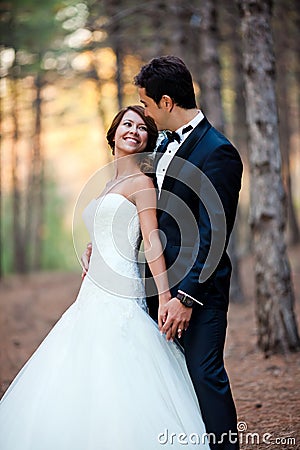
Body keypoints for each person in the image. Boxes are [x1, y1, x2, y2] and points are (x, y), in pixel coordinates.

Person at [0, 105, 211, 450]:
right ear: (113, 134)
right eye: (127, 124)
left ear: (147, 141)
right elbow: (110, 226)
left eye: (142, 127)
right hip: (90, 295)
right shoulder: (109, 182)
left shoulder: (142, 183)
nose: (134, 130)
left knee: (119, 369)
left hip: (121, 296)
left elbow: (152, 239)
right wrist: (93, 246)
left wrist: (165, 296)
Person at [84, 56, 243, 449]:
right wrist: (106, 241)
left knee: (204, 377)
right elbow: (146, 217)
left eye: (149, 105)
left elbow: (214, 233)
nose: (147, 114)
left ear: (167, 102)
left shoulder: (217, 151)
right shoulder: (159, 149)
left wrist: (185, 297)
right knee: (164, 381)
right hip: (153, 289)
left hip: (197, 293)